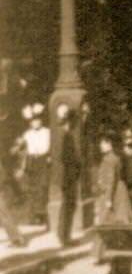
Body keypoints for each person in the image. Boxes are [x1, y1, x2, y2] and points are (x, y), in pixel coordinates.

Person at [14, 103, 51, 229]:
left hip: (43, 161)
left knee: (43, 186)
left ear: (41, 121)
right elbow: (23, 151)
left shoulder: (47, 132)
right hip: (31, 162)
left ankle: (44, 214)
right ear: (30, 123)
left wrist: (49, 158)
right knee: (32, 188)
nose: (35, 123)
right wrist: (22, 168)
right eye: (33, 121)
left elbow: (51, 148)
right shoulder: (27, 134)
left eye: (37, 121)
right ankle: (34, 216)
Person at [54, 103, 84, 247]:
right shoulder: (66, 136)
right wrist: (78, 167)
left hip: (67, 177)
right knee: (68, 206)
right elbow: (67, 159)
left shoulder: (65, 135)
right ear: (68, 122)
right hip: (68, 178)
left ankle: (64, 235)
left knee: (67, 206)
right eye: (72, 122)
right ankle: (64, 237)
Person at [93, 131, 132, 226]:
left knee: (108, 221)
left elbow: (110, 181)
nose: (100, 145)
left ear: (109, 144)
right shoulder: (114, 157)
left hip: (113, 193)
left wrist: (108, 199)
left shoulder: (109, 160)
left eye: (103, 143)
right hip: (118, 191)